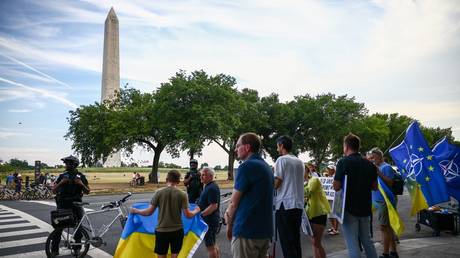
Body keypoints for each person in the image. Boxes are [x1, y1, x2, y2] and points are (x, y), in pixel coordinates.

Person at [224, 132, 274, 258]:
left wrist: (229, 225)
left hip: (246, 231)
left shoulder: (246, 166)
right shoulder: (266, 167)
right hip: (264, 231)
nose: (235, 150)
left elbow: (234, 203)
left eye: (237, 146)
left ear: (247, 147)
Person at [131, 170, 200, 258]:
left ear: (167, 179)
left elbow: (149, 212)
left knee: (161, 256)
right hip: (177, 231)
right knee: (175, 256)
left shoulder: (159, 193)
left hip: (162, 231)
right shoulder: (183, 195)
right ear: (178, 181)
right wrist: (196, 210)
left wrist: (136, 211)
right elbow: (188, 215)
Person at [333, 133, 378, 258]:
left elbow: (336, 186)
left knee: (352, 244)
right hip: (365, 209)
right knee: (367, 241)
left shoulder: (343, 162)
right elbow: (375, 187)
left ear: (346, 147)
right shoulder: (370, 165)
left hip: (349, 209)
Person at [51, 155, 90, 256]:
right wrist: (61, 183)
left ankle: (77, 248)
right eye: (66, 163)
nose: (66, 165)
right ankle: (54, 250)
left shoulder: (81, 176)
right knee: (58, 228)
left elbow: (88, 191)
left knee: (78, 228)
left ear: (74, 165)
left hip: (76, 205)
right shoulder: (62, 176)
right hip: (63, 205)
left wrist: (81, 184)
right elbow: (54, 190)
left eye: (68, 163)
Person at [274, 135, 304, 258]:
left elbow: (277, 183)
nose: (277, 149)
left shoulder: (281, 160)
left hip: (284, 205)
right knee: (295, 240)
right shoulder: (299, 161)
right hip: (298, 205)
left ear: (282, 146)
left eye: (277, 146)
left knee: (286, 242)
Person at [368, 148, 399, 258]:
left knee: (384, 227)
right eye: (371, 158)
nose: (373, 160)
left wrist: (378, 172)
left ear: (380, 157)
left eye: (374, 157)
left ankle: (386, 253)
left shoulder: (386, 167)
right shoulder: (378, 167)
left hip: (386, 201)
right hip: (379, 200)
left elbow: (390, 182)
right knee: (387, 227)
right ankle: (393, 252)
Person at [305, 175, 331, 258]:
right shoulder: (305, 183)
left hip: (319, 213)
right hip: (310, 213)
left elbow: (308, 191)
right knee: (314, 242)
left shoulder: (314, 180)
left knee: (317, 242)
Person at [198, 167, 221, 258]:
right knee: (213, 244)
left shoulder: (212, 188)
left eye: (203, 175)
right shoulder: (208, 186)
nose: (201, 177)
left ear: (210, 176)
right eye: (201, 175)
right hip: (210, 220)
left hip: (209, 221)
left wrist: (201, 215)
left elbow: (213, 206)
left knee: (210, 247)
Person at [326, 164, 339, 236]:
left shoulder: (336, 177)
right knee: (329, 214)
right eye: (328, 169)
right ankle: (333, 227)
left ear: (333, 170)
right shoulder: (328, 177)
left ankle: (336, 229)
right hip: (329, 198)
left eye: (330, 169)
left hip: (334, 198)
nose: (328, 170)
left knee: (334, 214)